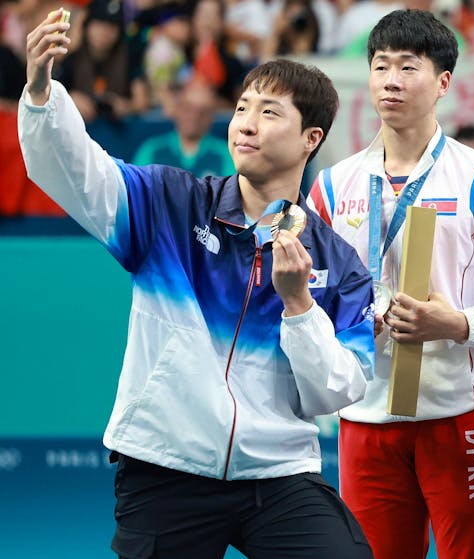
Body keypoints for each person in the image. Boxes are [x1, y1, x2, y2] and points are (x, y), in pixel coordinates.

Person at [20, 11, 374, 559]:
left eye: (269, 112)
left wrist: (299, 306)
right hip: (167, 463)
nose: (245, 123)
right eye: (241, 108)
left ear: (312, 139)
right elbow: (77, 173)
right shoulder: (170, 202)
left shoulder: (337, 262)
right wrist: (42, 93)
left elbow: (337, 391)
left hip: (276, 473)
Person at [306, 9, 474, 559]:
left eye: (408, 67)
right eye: (380, 65)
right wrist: (356, 322)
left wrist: (454, 323)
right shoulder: (333, 186)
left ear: (442, 83)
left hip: (459, 414)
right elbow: (310, 297)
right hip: (364, 414)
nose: (390, 80)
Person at [132, 79, 234, 178]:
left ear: (211, 116)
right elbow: (135, 189)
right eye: (188, 109)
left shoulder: (225, 155)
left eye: (203, 112)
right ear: (177, 109)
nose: (194, 117)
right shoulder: (152, 150)